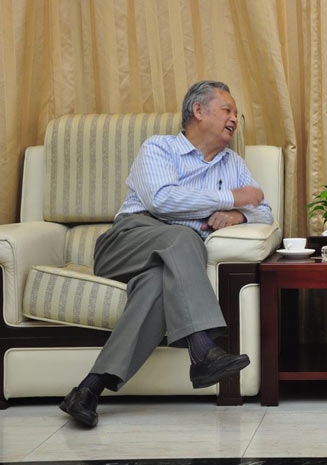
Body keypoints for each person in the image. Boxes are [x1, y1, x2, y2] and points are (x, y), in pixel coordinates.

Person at [60, 80, 273, 427]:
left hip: (170, 259)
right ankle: (202, 347)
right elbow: (162, 200)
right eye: (227, 110)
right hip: (127, 242)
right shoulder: (159, 148)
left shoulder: (233, 163)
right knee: (185, 237)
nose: (235, 118)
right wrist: (233, 198)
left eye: (236, 113)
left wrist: (238, 216)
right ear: (198, 110)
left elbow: (264, 211)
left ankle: (87, 390)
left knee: (157, 285)